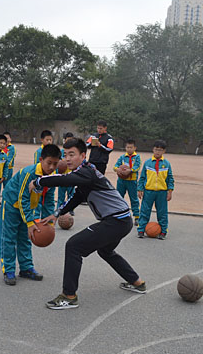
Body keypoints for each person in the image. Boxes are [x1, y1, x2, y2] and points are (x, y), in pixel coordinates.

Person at [29, 138, 146, 310]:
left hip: (116, 221)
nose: (67, 159)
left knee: (74, 246)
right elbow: (77, 196)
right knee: (105, 251)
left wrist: (39, 181)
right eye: (65, 155)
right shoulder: (85, 173)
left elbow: (64, 180)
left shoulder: (86, 172)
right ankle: (137, 282)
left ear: (83, 155)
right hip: (122, 220)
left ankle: (69, 296)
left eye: (72, 154)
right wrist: (56, 214)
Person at [0, 144, 60, 285]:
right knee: (8, 238)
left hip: (29, 207)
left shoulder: (52, 177)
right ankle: (8, 270)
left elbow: (49, 200)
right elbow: (22, 198)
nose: (51, 167)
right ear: (41, 159)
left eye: (55, 164)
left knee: (26, 237)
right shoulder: (30, 173)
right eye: (49, 163)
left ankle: (26, 268)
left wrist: (48, 221)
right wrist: (30, 222)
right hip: (12, 205)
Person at [137, 140, 174, 240]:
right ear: (153, 149)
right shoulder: (148, 163)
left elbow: (170, 178)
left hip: (162, 192)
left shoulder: (166, 164)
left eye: (160, 150)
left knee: (162, 212)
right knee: (145, 211)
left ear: (164, 151)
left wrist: (170, 191)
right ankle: (141, 230)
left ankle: (163, 231)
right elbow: (142, 178)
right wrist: (140, 189)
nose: (158, 152)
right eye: (156, 149)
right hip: (149, 191)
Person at [113, 139, 141, 225]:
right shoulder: (122, 157)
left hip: (132, 181)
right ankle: (118, 214)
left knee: (134, 199)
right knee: (119, 198)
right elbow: (115, 166)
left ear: (134, 148)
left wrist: (130, 170)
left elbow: (137, 166)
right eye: (127, 147)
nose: (129, 149)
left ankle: (136, 217)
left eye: (131, 147)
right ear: (125, 147)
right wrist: (118, 169)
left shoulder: (137, 157)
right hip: (121, 181)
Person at [33, 130, 55, 218]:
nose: (49, 142)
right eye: (47, 140)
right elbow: (36, 166)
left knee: (49, 201)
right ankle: (36, 219)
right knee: (38, 200)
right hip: (41, 180)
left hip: (51, 180)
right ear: (42, 140)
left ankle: (47, 220)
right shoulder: (38, 152)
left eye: (50, 140)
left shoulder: (54, 151)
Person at [57, 132, 75, 209]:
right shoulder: (61, 151)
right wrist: (62, 162)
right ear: (64, 140)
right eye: (68, 140)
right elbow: (58, 161)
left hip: (72, 176)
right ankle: (59, 208)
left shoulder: (75, 152)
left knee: (71, 194)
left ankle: (70, 208)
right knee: (61, 194)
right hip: (63, 176)